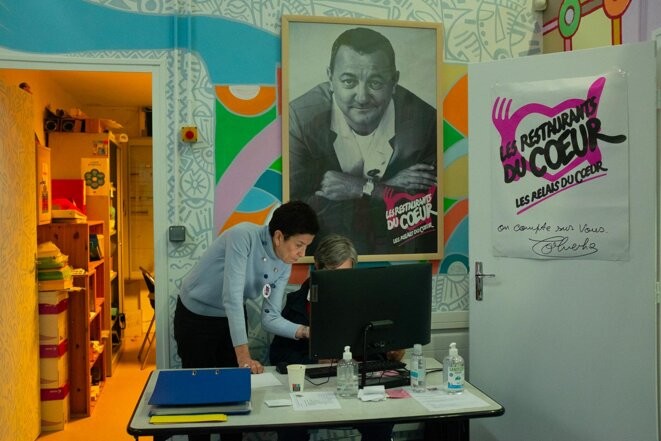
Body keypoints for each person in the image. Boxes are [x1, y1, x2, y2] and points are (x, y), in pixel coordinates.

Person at [174, 200, 319, 441]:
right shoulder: (244, 236)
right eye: (299, 245)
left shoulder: (283, 264)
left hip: (229, 315)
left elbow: (270, 318)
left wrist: (305, 331)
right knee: (200, 399)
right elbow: (231, 297)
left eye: (306, 247)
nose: (302, 254)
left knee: (234, 399)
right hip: (195, 316)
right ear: (279, 237)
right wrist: (243, 356)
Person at [288, 27, 438, 256]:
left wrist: (364, 188)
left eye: (376, 83)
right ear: (330, 78)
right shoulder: (300, 119)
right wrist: (391, 189)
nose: (362, 97)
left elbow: (427, 215)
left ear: (394, 80)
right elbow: (295, 213)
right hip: (327, 256)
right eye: (348, 81)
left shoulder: (424, 123)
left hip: (395, 255)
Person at [270, 234, 403, 441]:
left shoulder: (368, 302)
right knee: (290, 427)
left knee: (382, 419)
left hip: (358, 382)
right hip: (313, 386)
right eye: (332, 274)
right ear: (317, 267)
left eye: (345, 275)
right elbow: (278, 356)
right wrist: (315, 362)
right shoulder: (297, 304)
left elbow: (380, 350)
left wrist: (393, 352)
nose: (339, 282)